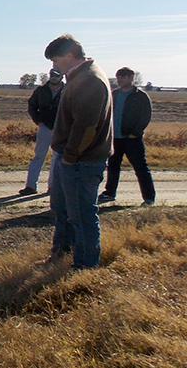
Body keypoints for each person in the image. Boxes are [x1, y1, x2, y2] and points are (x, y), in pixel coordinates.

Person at [45, 34, 113, 269]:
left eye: (56, 60)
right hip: (70, 158)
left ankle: (85, 267)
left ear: (70, 55)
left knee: (82, 216)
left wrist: (71, 158)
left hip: (81, 162)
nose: (54, 66)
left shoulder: (90, 80)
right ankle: (61, 254)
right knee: (63, 211)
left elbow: (86, 127)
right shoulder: (79, 77)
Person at [99, 67, 156, 206]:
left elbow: (145, 116)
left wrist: (135, 132)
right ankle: (110, 193)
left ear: (131, 78)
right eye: (118, 77)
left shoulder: (140, 96)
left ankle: (149, 198)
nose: (120, 80)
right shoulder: (114, 94)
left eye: (123, 77)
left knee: (140, 168)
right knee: (113, 166)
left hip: (132, 139)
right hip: (115, 138)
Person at [19, 69, 64, 195]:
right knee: (39, 156)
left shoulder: (67, 90)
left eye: (57, 75)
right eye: (52, 75)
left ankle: (53, 187)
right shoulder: (41, 90)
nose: (54, 78)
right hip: (44, 126)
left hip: (61, 127)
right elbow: (32, 105)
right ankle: (30, 186)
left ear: (61, 76)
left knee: (57, 158)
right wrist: (38, 120)